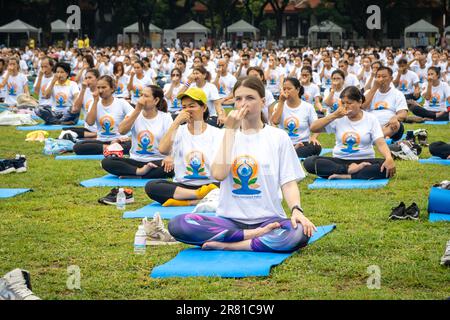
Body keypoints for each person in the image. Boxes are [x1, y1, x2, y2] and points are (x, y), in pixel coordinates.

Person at [168, 77, 316, 253]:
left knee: (299, 232)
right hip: (230, 221)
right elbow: (218, 174)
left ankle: (229, 244)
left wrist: (296, 210)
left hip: (269, 220)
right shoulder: (223, 135)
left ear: (262, 102)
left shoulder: (278, 137)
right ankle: (252, 236)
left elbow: (288, 182)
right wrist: (230, 130)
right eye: (238, 99)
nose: (243, 103)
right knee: (179, 225)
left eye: (250, 98)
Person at [145, 87, 223, 207]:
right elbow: (162, 150)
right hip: (184, 185)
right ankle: (198, 196)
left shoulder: (217, 133)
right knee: (152, 187)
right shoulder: (178, 130)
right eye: (184, 107)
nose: (187, 111)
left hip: (211, 184)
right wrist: (176, 122)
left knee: (226, 188)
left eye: (192, 106)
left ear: (204, 107)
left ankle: (189, 201)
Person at [304, 86, 396, 180]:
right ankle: (348, 170)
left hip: (364, 161)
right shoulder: (338, 117)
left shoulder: (371, 119)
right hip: (340, 161)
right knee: (309, 162)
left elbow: (380, 142)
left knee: (385, 167)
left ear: (360, 102)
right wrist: (334, 115)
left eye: (349, 103)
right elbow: (313, 128)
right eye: (343, 103)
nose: (346, 106)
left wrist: (389, 158)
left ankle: (346, 176)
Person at [101, 85, 175, 179]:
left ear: (156, 100)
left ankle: (133, 175)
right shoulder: (134, 114)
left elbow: (173, 141)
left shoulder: (166, 117)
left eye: (146, 96)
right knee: (107, 162)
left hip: (157, 160)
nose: (141, 99)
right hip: (136, 160)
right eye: (141, 95)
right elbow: (121, 131)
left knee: (175, 167)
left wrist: (170, 157)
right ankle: (139, 172)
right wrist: (137, 110)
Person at [73, 75, 133, 155]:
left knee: (131, 145)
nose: (100, 91)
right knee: (78, 146)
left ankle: (112, 147)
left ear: (112, 89)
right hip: (101, 141)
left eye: (104, 87)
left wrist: (126, 138)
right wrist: (95, 101)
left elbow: (134, 117)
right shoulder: (94, 103)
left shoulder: (121, 103)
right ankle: (111, 148)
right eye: (98, 88)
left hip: (119, 141)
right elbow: (90, 122)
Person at [271, 78, 322, 158]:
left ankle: (289, 153)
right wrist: (281, 102)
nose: (286, 91)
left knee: (316, 147)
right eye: (284, 89)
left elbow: (317, 126)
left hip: (303, 144)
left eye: (289, 89)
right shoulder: (279, 105)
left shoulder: (308, 107)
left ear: (298, 90)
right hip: (284, 143)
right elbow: (275, 121)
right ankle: (292, 151)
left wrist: (313, 137)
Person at [362, 66, 408, 141]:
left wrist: (395, 117)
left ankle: (371, 139)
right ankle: (378, 139)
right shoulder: (369, 92)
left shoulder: (397, 94)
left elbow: (403, 113)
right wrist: (374, 88)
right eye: (378, 77)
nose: (381, 79)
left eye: (384, 77)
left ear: (391, 79)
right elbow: (362, 107)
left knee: (396, 125)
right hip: (370, 125)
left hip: (388, 126)